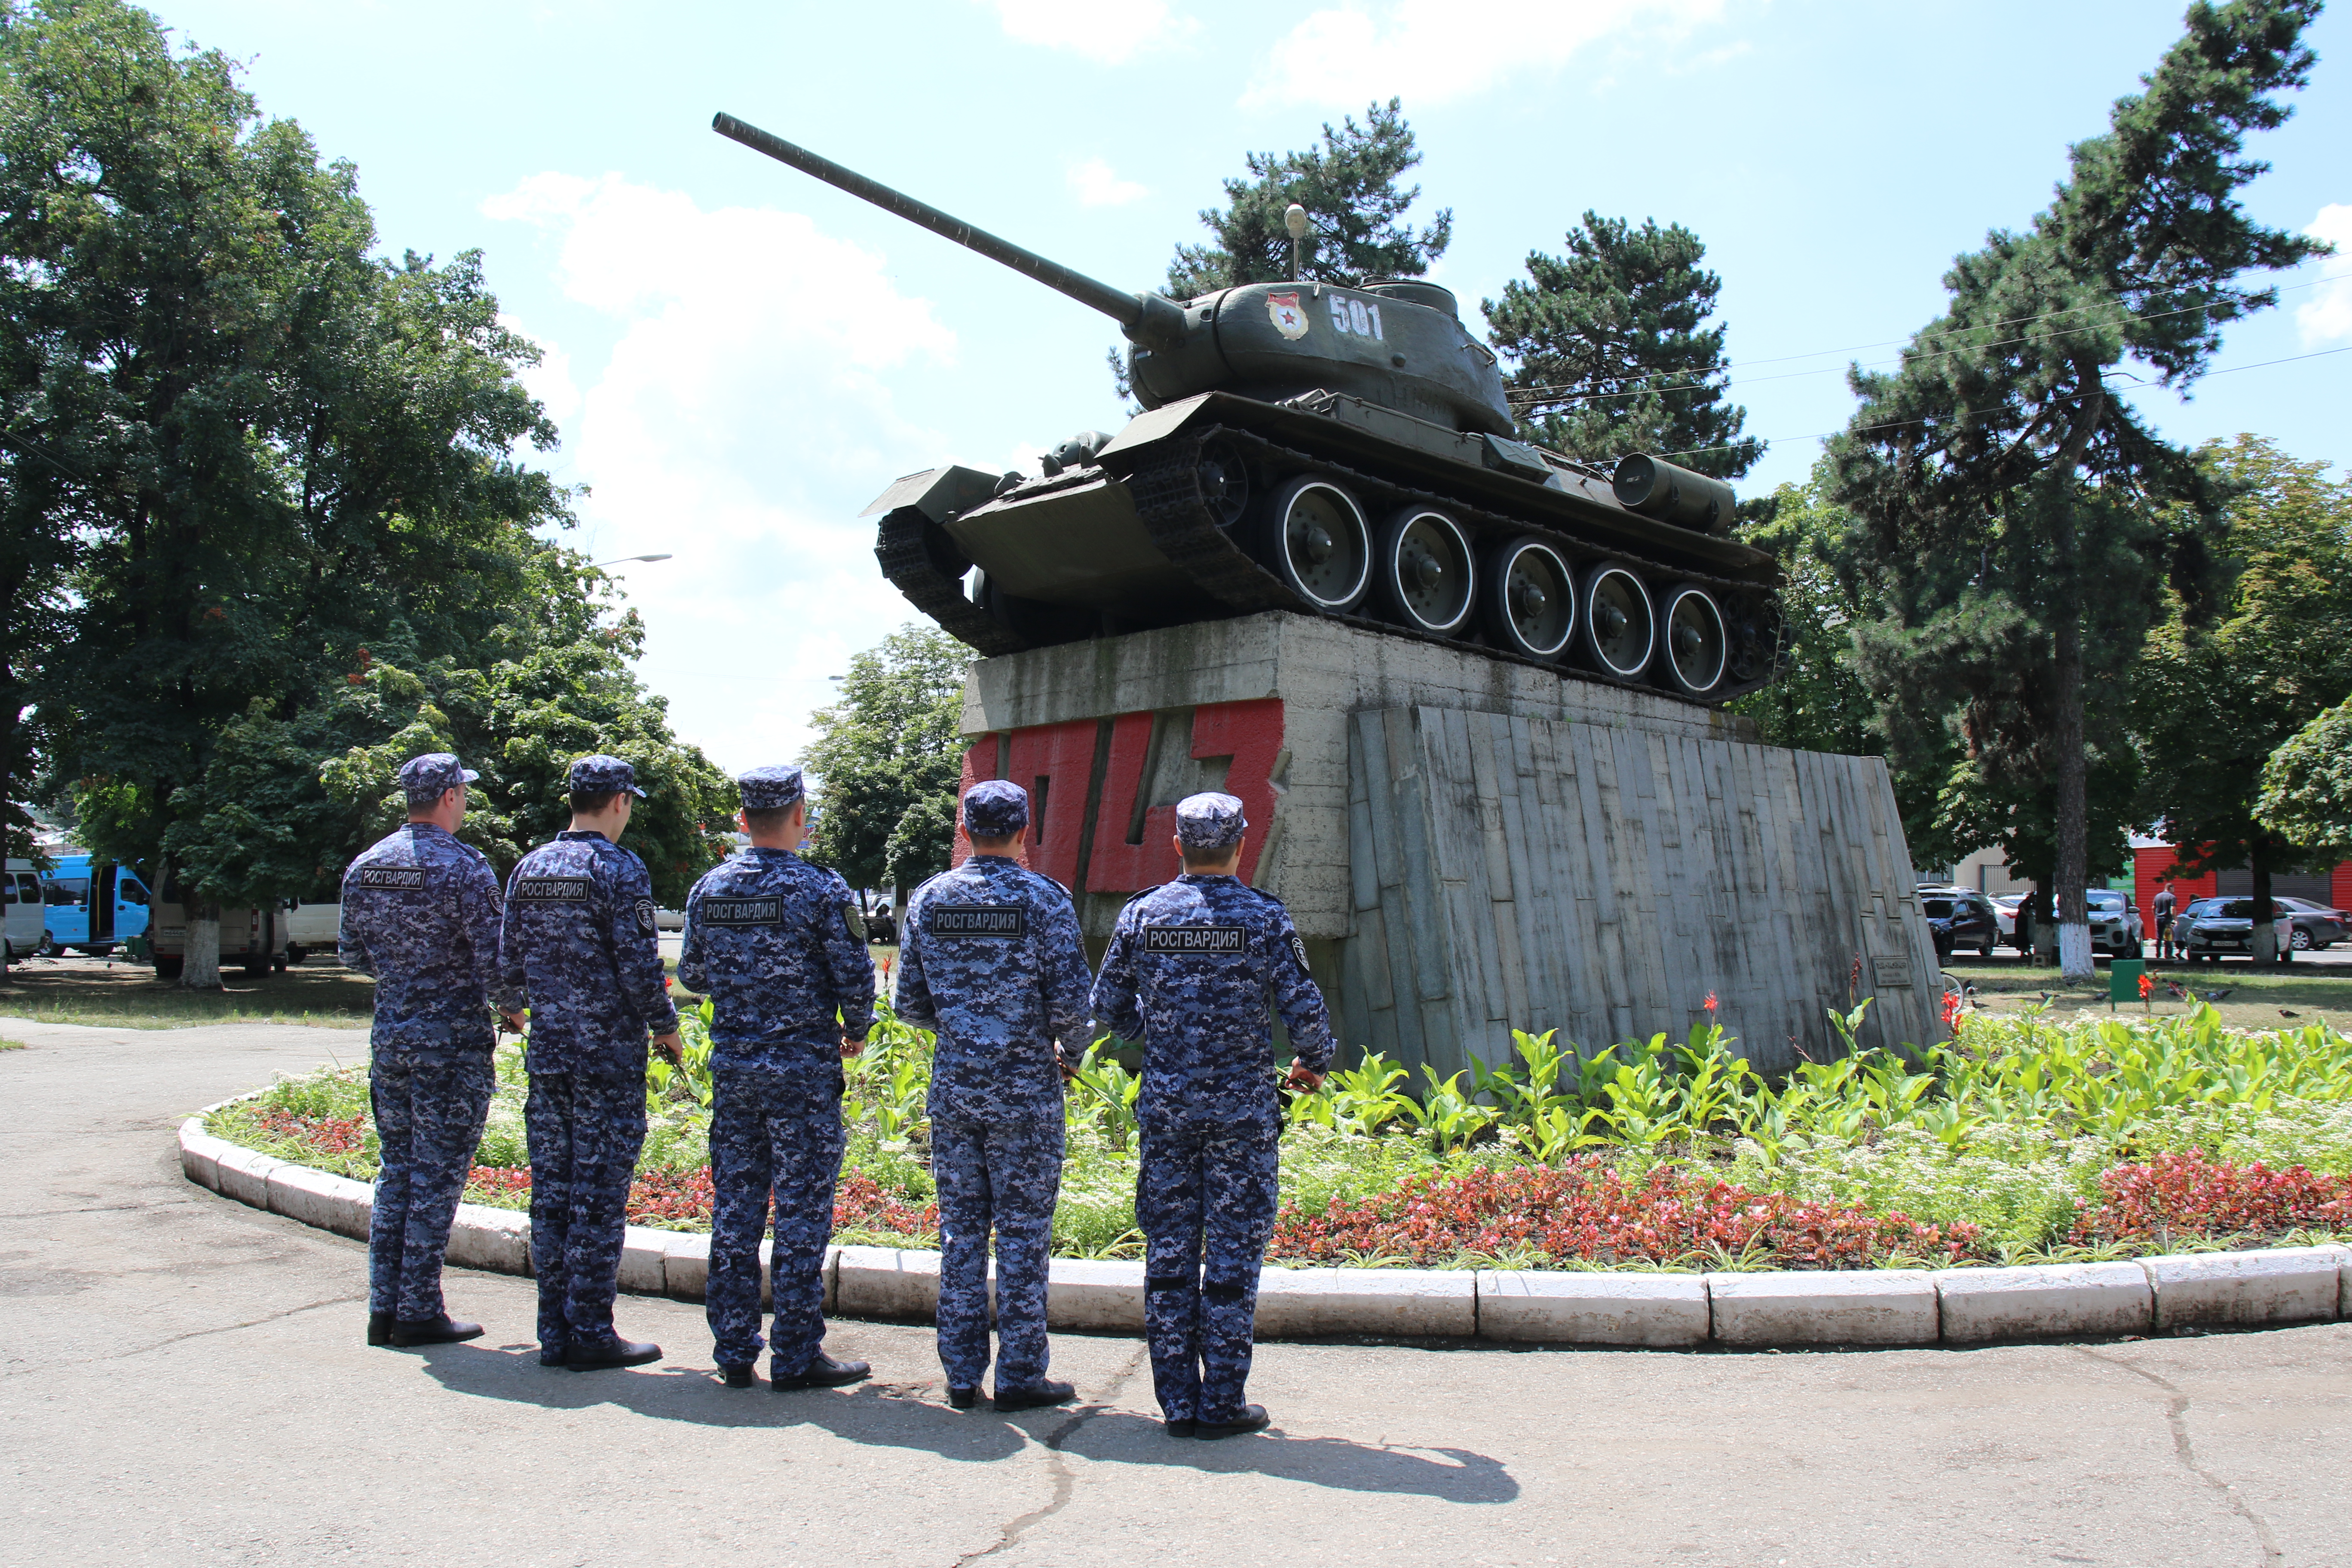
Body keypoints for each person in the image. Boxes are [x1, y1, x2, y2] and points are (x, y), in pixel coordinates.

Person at [1090, 791, 1333, 1439]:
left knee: (1169, 1252)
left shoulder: (1144, 915)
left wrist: (1150, 1033)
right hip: (1240, 1112)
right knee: (1232, 1253)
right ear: (1241, 843)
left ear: (1177, 846)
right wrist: (1311, 1063)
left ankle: (1176, 1402)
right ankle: (1222, 1402)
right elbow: (1305, 1011)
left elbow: (1107, 1005)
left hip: (1168, 1108)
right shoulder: (1264, 917)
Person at [893, 780, 1093, 1412]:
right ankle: (1021, 1375)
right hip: (1026, 1096)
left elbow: (909, 1004)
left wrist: (964, 1031)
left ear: (965, 830)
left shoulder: (931, 898)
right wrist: (1070, 1052)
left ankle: (959, 1374)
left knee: (960, 1234)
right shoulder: (1045, 900)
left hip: (956, 1092)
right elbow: (1073, 1007)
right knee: (1024, 1236)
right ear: (1023, 830)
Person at [678, 764, 876, 1390]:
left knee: (735, 1208)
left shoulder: (710, 888)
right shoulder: (822, 889)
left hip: (736, 1070)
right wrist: (856, 1028)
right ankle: (795, 1354)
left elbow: (694, 974)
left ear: (742, 821)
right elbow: (856, 978)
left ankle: (734, 1350)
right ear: (799, 816)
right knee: (801, 1210)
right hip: (803, 1073)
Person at [499, 755, 683, 1372]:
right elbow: (638, 963)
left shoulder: (531, 866)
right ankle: (592, 1333)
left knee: (551, 1195)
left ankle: (555, 1330)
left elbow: (507, 964)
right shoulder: (619, 868)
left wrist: (519, 1013)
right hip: (606, 1058)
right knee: (599, 1196)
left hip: (550, 1056)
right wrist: (665, 1026)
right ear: (621, 802)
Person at [339, 753, 523, 1349]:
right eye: (463, 793)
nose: (465, 802)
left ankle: (382, 1307)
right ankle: (419, 1309)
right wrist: (514, 1009)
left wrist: (405, 974)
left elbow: (351, 955)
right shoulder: (465, 867)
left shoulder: (368, 864)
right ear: (448, 796)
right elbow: (497, 962)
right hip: (452, 1044)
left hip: (393, 1036)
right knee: (438, 1176)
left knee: (398, 1171)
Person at [2153, 882, 2177, 961]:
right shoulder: (2172, 897)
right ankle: (2168, 954)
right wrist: (2175, 919)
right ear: (2170, 888)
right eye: (2174, 888)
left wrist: (2155, 916)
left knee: (2159, 937)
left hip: (2159, 919)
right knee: (2168, 937)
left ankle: (2158, 954)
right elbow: (2173, 909)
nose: (2174, 890)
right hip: (2167, 920)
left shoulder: (2158, 896)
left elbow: (2153, 907)